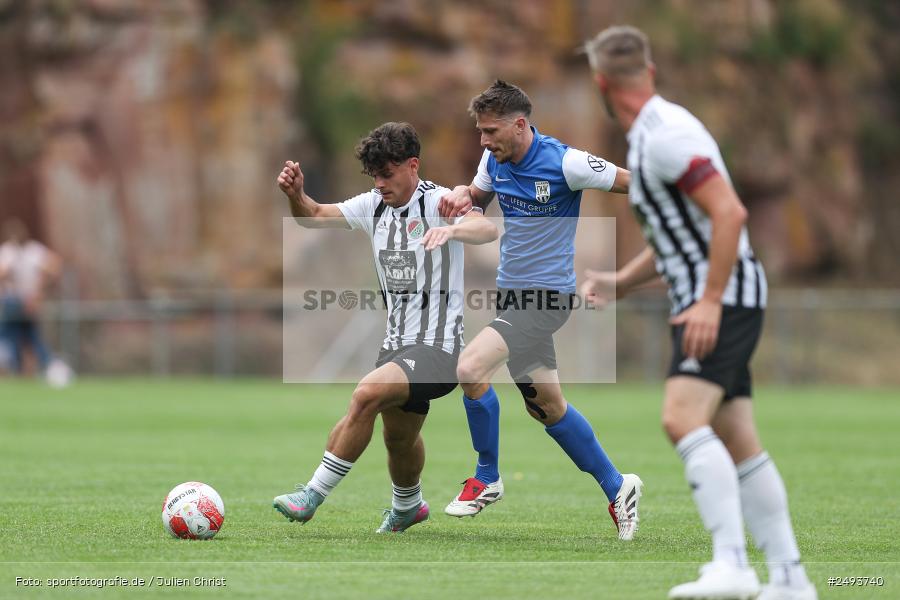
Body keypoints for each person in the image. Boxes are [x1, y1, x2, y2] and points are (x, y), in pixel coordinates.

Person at [581, 26, 816, 600]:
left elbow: (729, 213)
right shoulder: (650, 136)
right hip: (716, 294)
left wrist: (709, 300)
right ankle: (790, 579)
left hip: (722, 296)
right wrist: (621, 282)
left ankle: (731, 565)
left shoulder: (664, 136)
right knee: (737, 438)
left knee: (681, 418)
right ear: (649, 72)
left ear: (600, 84)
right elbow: (680, 235)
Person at [438, 80, 643, 540]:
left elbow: (633, 182)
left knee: (470, 367)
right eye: (480, 131)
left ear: (519, 125)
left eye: (491, 131)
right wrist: (463, 196)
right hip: (511, 296)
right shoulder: (493, 159)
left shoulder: (567, 162)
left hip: (547, 298)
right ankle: (618, 486)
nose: (483, 141)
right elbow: (477, 199)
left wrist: (681, 197)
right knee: (547, 408)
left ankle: (487, 477)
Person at [273, 122, 498, 533]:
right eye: (374, 175)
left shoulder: (440, 201)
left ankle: (312, 494)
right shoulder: (373, 205)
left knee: (365, 395)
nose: (379, 183)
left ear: (413, 165)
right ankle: (408, 505)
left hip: (439, 349)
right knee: (399, 438)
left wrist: (452, 228)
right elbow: (314, 216)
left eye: (387, 174)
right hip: (396, 346)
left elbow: (486, 228)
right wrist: (296, 196)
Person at [0, 218, 63, 378]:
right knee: (16, 336)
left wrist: (39, 290)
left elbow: (54, 266)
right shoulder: (7, 252)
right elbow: (3, 273)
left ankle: (47, 366)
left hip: (29, 300)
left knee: (26, 335)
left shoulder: (33, 251)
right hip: (12, 300)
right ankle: (22, 368)